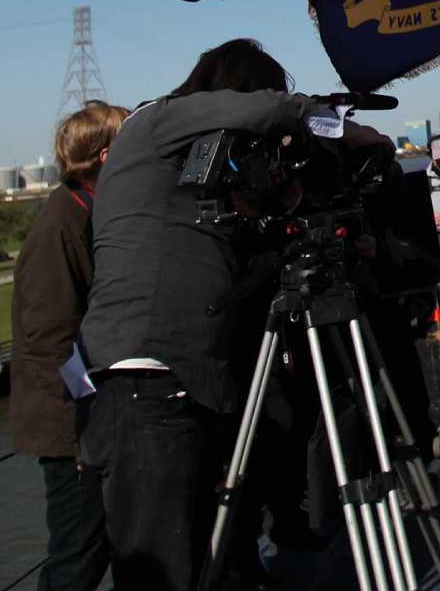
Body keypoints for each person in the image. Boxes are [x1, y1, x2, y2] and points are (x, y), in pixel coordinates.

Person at [80, 38, 366, 591]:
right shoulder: (157, 122)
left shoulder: (189, 175)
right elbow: (265, 110)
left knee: (213, 553)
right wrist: (333, 122)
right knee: (162, 572)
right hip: (148, 383)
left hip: (190, 380)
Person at [12, 101, 127, 591]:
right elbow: (49, 337)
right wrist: (92, 410)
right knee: (78, 555)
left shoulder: (87, 211)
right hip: (73, 429)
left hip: (88, 420)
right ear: (104, 157)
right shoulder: (62, 222)